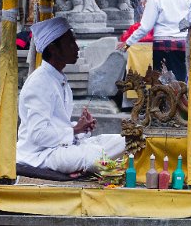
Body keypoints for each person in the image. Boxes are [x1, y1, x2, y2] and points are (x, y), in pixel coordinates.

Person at [17, 17, 126, 174]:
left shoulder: (58, 77)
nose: (76, 48)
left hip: (63, 147)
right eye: (70, 43)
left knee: (124, 141)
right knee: (95, 155)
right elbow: (38, 135)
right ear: (54, 48)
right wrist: (74, 131)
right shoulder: (40, 82)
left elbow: (58, 126)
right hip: (41, 155)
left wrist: (80, 127)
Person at [117, 0, 191, 81]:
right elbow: (189, 21)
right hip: (182, 43)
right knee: (181, 81)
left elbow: (146, 26)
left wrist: (128, 43)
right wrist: (178, 30)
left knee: (162, 85)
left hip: (162, 45)